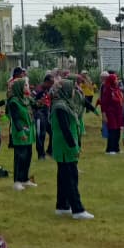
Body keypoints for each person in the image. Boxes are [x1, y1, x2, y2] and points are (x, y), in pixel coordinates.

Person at [50, 79, 92, 220]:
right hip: (65, 146)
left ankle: (62, 206)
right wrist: (74, 147)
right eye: (72, 89)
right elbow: (65, 129)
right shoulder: (61, 106)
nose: (74, 91)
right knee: (71, 177)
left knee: (63, 177)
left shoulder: (64, 104)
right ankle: (77, 210)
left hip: (66, 145)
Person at [6, 75, 37, 191]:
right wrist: (21, 133)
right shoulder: (14, 101)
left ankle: (25, 179)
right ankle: (17, 181)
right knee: (20, 157)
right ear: (19, 87)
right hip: (21, 133)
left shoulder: (26, 99)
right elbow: (15, 119)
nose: (27, 87)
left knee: (28, 156)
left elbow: (35, 106)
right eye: (25, 85)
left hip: (29, 132)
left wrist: (42, 102)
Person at [98, 72, 124, 156]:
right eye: (115, 79)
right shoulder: (107, 90)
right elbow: (104, 103)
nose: (117, 81)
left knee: (118, 130)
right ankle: (110, 149)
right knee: (112, 130)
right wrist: (104, 115)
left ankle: (116, 148)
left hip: (118, 113)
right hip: (110, 113)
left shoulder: (116, 89)